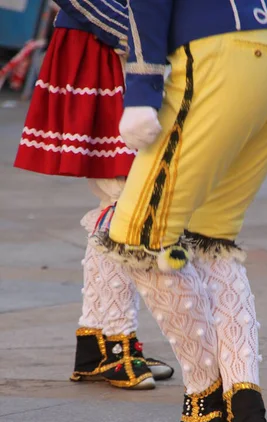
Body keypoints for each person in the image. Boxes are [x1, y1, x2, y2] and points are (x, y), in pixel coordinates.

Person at [91, 0, 267, 422]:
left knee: (137, 237)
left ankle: (205, 411)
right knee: (214, 240)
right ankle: (245, 411)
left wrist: (142, 95)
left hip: (220, 53)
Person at [14, 0, 173, 390]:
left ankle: (101, 344)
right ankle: (113, 343)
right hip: (106, 43)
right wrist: (139, 38)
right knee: (125, 197)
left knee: (121, 199)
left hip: (122, 46)